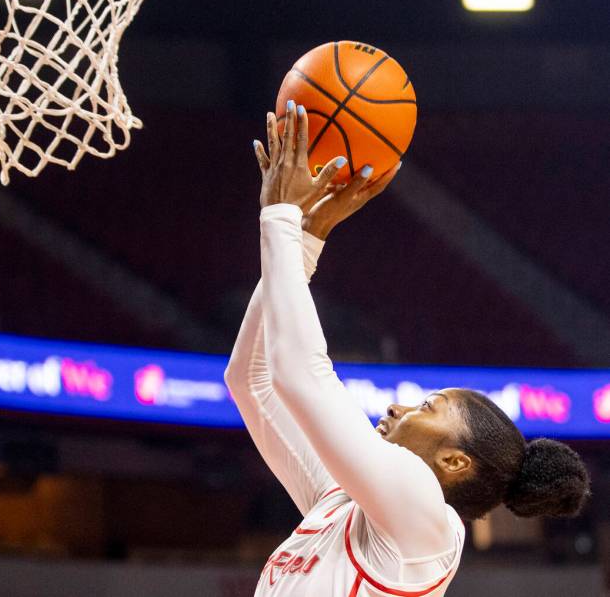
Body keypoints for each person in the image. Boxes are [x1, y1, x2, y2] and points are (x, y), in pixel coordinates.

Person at [224, 100, 591, 596]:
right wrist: (305, 240)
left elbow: (299, 373)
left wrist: (283, 219)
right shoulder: (344, 502)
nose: (398, 405)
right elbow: (252, 379)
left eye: (427, 405)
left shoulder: (427, 522)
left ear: (455, 462)